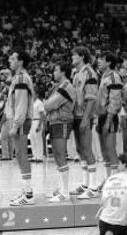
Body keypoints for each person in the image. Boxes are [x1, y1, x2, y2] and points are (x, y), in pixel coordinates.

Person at [70, 46, 100, 199]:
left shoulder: (89, 73)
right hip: (75, 114)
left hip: (83, 116)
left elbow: (91, 98)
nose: (72, 57)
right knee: (80, 149)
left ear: (82, 56)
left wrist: (86, 117)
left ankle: (93, 187)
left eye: (74, 55)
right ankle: (85, 184)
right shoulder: (76, 74)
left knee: (87, 149)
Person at [7, 49, 35, 206]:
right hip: (19, 120)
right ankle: (26, 191)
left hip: (22, 121)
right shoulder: (18, 77)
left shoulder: (22, 78)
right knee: (19, 154)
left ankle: (29, 194)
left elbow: (21, 104)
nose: (10, 60)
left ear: (21, 61)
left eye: (13, 58)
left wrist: (15, 125)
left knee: (22, 154)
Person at [44, 63, 75, 202]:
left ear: (63, 72)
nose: (53, 72)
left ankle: (65, 192)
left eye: (56, 70)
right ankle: (61, 189)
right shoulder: (58, 86)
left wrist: (47, 104)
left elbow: (49, 105)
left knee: (61, 155)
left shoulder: (66, 86)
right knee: (57, 155)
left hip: (62, 121)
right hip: (55, 121)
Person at [96, 51, 122, 186]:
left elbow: (115, 101)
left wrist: (108, 120)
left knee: (111, 149)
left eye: (101, 59)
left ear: (109, 62)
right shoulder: (103, 76)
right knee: (104, 151)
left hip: (109, 117)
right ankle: (108, 179)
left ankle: (115, 180)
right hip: (101, 116)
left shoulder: (114, 77)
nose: (98, 61)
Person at [29, 87, 46, 162]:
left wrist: (39, 125)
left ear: (37, 94)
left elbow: (42, 115)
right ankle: (34, 155)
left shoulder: (39, 103)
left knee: (38, 139)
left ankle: (39, 156)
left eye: (33, 94)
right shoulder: (31, 102)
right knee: (32, 138)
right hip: (31, 121)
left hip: (37, 121)